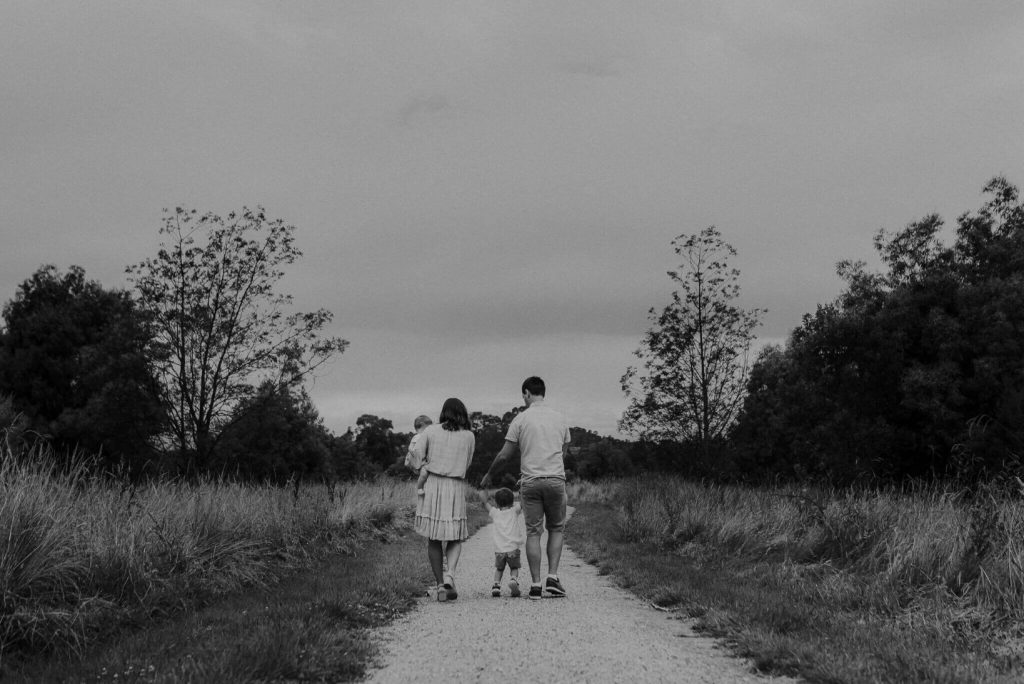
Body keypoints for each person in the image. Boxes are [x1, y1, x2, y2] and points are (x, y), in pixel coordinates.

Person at [481, 376, 570, 600]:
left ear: (527, 393)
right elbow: (564, 450)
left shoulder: (520, 419)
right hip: (555, 479)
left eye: (523, 395)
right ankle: (553, 577)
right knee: (556, 529)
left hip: (530, 482)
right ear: (544, 393)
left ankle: (536, 585)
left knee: (533, 532)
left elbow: (504, 455)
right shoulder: (560, 418)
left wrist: (490, 474)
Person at [415, 397, 475, 602]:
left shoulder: (430, 431)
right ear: (462, 413)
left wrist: (422, 466)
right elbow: (468, 463)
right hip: (456, 485)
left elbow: (416, 453)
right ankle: (450, 574)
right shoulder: (469, 436)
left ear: (443, 412)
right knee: (454, 536)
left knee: (433, 537)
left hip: (433, 484)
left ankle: (440, 584)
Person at [476, 487, 525, 598]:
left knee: (499, 569)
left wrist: (485, 492)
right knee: (514, 568)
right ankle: (513, 579)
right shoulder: (514, 511)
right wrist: (522, 491)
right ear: (512, 502)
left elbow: (485, 503)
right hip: (513, 548)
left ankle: (496, 586)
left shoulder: (495, 512)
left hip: (499, 550)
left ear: (497, 503)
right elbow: (523, 502)